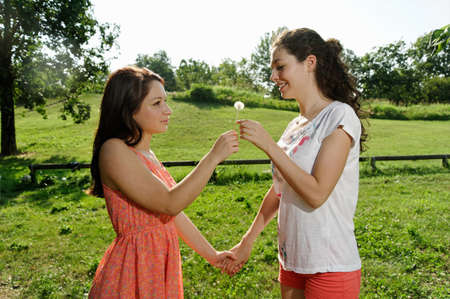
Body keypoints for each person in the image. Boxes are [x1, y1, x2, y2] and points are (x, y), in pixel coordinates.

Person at [224, 28, 367, 299]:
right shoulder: (294, 125)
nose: (273, 76)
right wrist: (247, 241)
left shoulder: (340, 116)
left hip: (330, 264)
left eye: (281, 67)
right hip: (292, 260)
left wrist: (269, 146)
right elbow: (279, 189)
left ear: (310, 63)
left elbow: (316, 194)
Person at [88, 66, 239, 298]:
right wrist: (213, 157)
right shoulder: (113, 150)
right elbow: (171, 203)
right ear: (128, 108)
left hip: (158, 267)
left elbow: (171, 216)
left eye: (165, 101)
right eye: (156, 103)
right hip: (134, 269)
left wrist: (212, 255)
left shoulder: (147, 155)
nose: (167, 110)